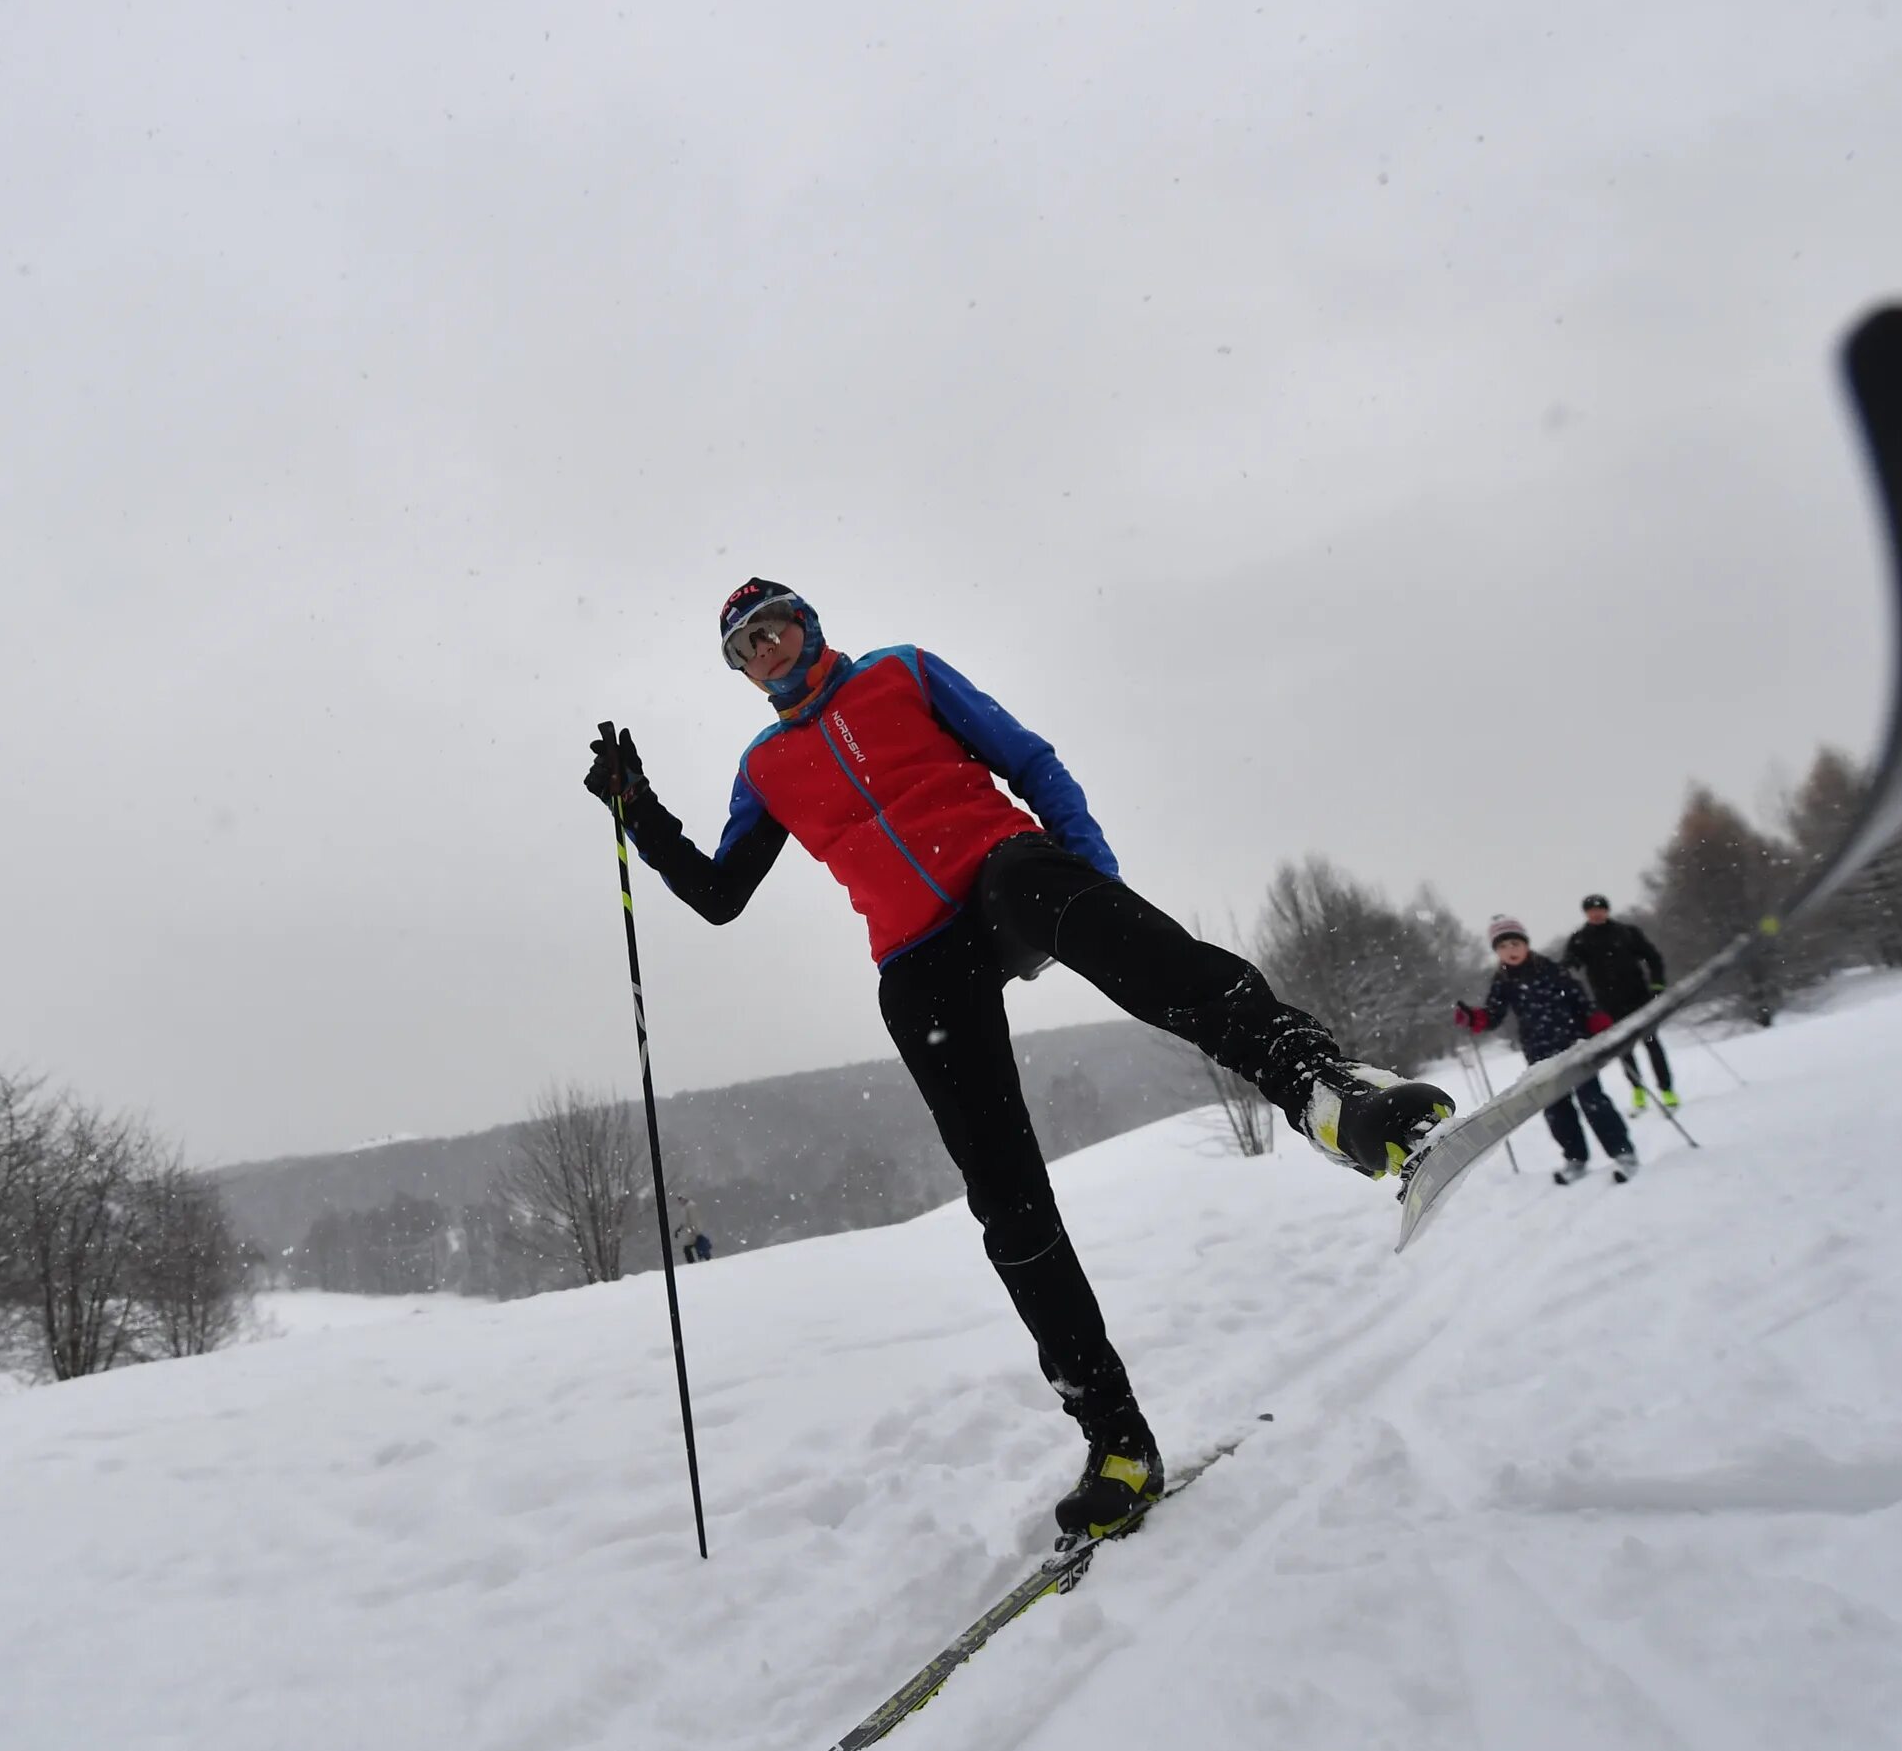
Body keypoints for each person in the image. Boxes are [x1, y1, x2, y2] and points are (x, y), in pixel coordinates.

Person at [584, 579, 1455, 1541]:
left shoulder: (902, 674)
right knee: (1004, 1195)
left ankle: (1328, 1094)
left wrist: (1089, 880)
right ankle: (1116, 1441)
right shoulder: (767, 769)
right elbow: (718, 894)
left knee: (1099, 926)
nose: (764, 651)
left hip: (1006, 874)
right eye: (743, 648)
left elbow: (1028, 759)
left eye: (773, 628)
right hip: (919, 954)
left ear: (810, 624)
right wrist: (639, 810)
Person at [1453, 915, 1637, 1183]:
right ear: (1497, 952)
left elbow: (1579, 997)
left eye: (1515, 943)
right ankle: (1575, 1158)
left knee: (1593, 1101)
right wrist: (1474, 1018)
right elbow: (1493, 1015)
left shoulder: (1551, 969)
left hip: (1574, 1045)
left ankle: (1623, 1153)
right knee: (1556, 1108)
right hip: (1539, 1054)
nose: (1510, 951)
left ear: (1525, 944)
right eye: (1503, 947)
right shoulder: (1503, 980)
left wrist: (1594, 1017)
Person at [1561, 893, 1677, 1111]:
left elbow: (1653, 957)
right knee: (1624, 1049)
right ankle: (1638, 1090)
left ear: (1607, 910)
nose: (1596, 914)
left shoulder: (1627, 932)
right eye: (1591, 910)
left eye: (1600, 909)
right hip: (1607, 1004)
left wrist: (1657, 984)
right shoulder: (1580, 938)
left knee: (1652, 1043)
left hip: (1639, 997)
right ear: (1586, 913)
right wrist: (1567, 969)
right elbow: (1568, 965)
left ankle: (1667, 1088)